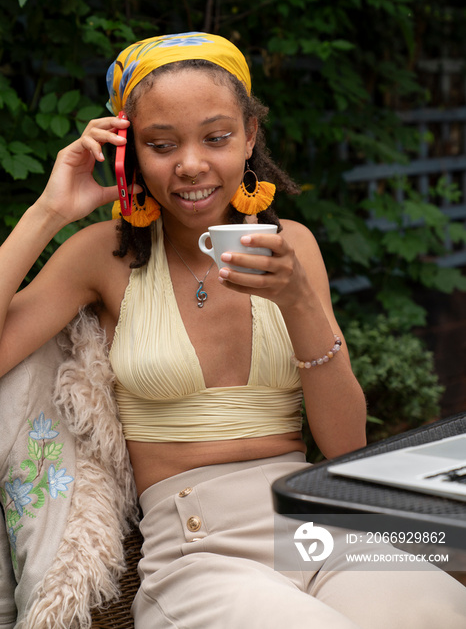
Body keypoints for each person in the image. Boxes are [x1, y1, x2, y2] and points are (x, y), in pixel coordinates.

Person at [0, 32, 465, 629]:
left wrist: (298, 303)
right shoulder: (104, 257)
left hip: (317, 529)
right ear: (130, 153)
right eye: (160, 144)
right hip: (200, 555)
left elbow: (345, 446)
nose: (191, 164)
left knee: (440, 612)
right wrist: (51, 211)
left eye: (216, 138)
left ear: (249, 136)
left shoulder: (292, 247)